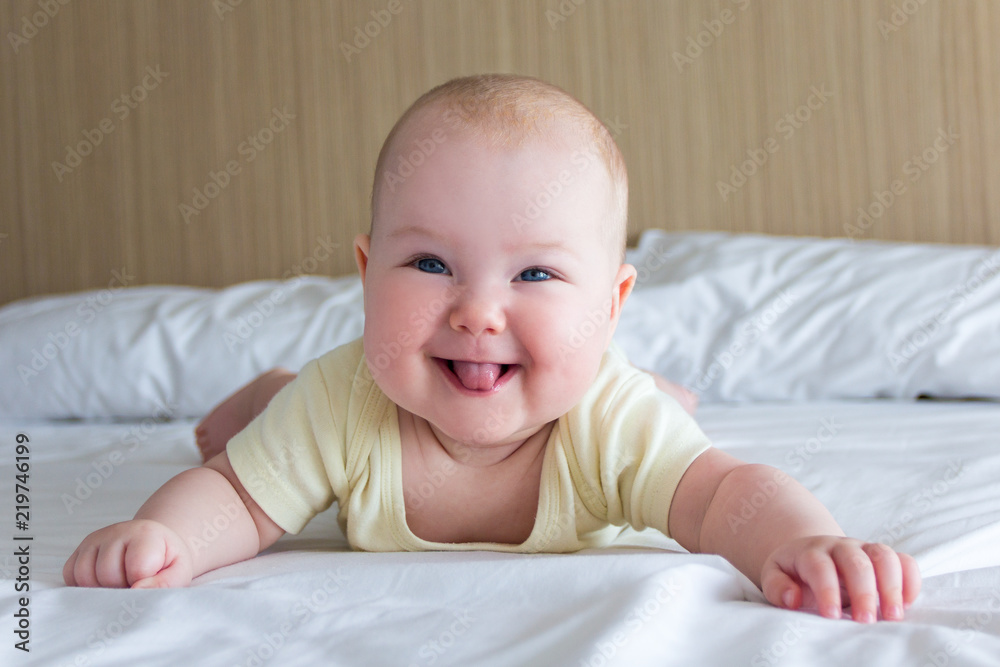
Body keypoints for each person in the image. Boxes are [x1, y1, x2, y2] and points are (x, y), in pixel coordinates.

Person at [64, 74, 920, 623]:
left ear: (613, 303)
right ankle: (267, 390)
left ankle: (663, 388)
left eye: (537, 273)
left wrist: (801, 544)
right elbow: (237, 497)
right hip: (314, 393)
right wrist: (163, 536)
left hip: (615, 394)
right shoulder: (344, 399)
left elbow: (725, 492)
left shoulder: (605, 419)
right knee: (277, 414)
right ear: (366, 273)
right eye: (430, 263)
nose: (477, 311)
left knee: (651, 415)